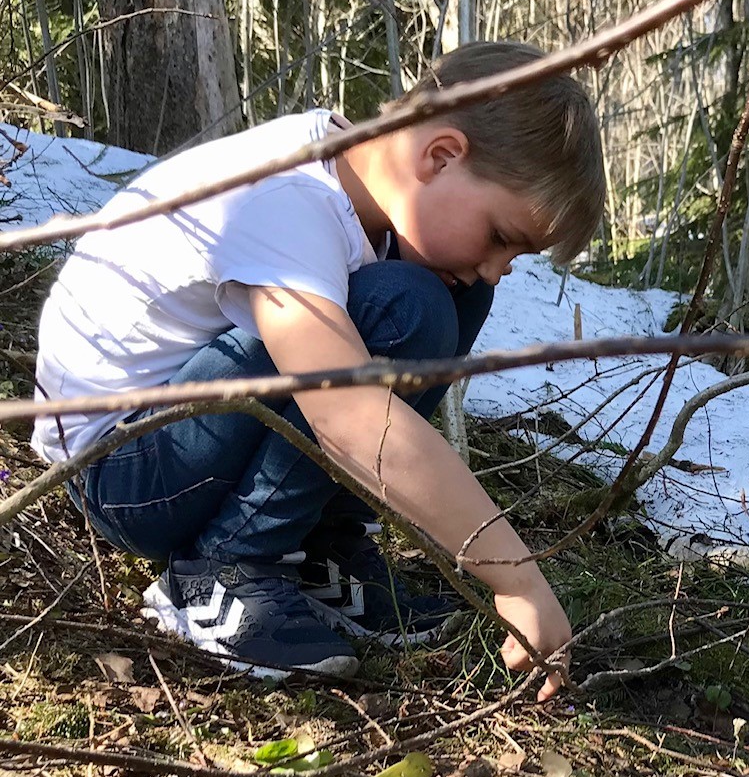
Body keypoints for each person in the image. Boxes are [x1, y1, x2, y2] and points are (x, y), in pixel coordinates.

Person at [30, 42, 600, 695]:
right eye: (502, 237)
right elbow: (347, 413)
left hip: (182, 437)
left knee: (449, 293)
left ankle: (315, 546)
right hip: (119, 467)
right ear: (439, 155)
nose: (498, 266)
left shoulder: (362, 188)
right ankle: (225, 568)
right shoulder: (288, 194)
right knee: (406, 306)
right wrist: (515, 575)